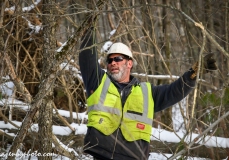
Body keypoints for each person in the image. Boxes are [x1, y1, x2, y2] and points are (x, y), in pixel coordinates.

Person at [79, 27, 217, 160]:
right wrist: (88, 30)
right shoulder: (98, 83)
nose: (113, 63)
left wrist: (191, 75)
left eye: (118, 59)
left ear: (129, 63)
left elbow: (174, 91)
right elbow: (87, 58)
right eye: (109, 60)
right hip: (101, 154)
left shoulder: (147, 92)